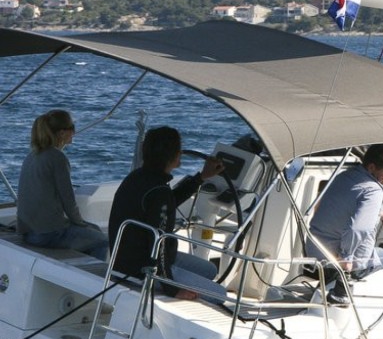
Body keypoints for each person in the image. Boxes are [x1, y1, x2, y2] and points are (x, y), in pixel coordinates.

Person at [108, 126, 227, 303]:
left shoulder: (138, 177)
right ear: (172, 154)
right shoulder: (159, 191)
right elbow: (159, 246)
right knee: (219, 295)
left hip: (123, 261)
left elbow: (168, 202)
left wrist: (201, 177)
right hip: (142, 269)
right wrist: (171, 289)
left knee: (209, 270)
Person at [306, 143, 383, 306]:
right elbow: (359, 228)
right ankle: (344, 286)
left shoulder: (345, 176)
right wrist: (346, 258)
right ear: (372, 167)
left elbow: (339, 207)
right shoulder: (374, 190)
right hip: (338, 262)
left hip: (314, 250)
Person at [16, 109, 109, 260]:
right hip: (47, 234)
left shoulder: (32, 155)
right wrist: (80, 223)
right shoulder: (57, 157)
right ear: (62, 133)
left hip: (28, 232)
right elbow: (68, 200)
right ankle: (97, 281)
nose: (74, 131)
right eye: (72, 128)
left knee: (94, 230)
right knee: (103, 241)